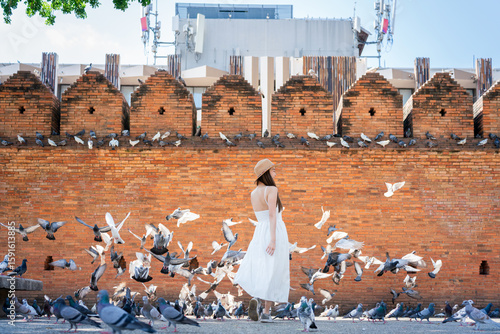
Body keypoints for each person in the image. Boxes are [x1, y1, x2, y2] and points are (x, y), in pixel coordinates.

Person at [234, 159, 290, 323]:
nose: (275, 173)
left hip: (259, 232)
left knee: (261, 268)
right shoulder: (271, 189)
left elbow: (264, 217)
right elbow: (272, 215)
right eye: (273, 170)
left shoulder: (253, 193)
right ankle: (266, 312)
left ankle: (257, 298)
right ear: (266, 173)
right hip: (274, 231)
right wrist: (273, 240)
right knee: (273, 270)